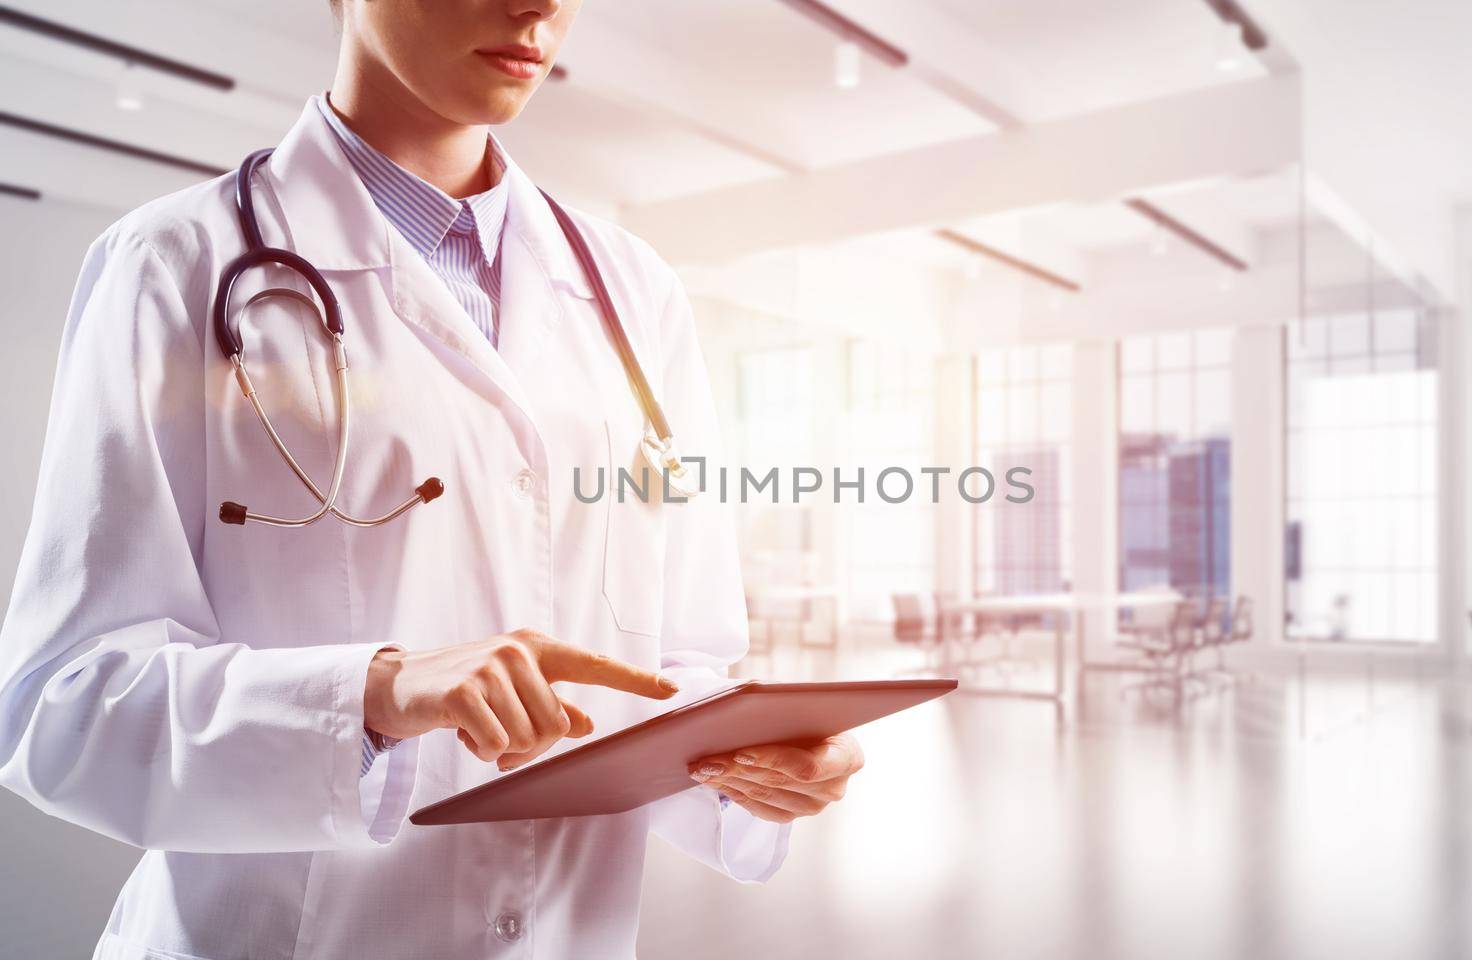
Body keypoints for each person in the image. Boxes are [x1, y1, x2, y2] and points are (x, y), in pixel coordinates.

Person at [0, 1, 864, 957]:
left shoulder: (634, 292)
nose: (537, 7)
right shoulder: (174, 265)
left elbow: (678, 664)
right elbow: (63, 705)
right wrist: (373, 694)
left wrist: (760, 756)